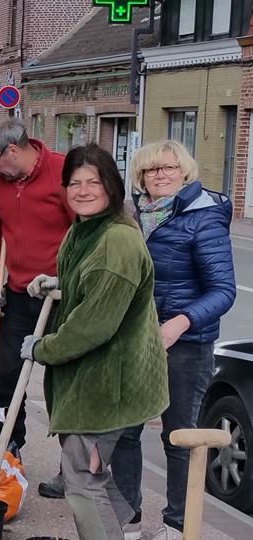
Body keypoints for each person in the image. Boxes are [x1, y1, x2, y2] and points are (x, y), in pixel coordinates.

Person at [21, 144, 169, 540]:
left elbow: (94, 324)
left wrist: (42, 348)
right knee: (92, 475)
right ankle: (120, 526)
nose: (83, 190)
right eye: (74, 183)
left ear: (112, 186)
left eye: (94, 182)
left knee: (83, 481)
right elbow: (91, 285)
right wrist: (58, 283)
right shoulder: (86, 227)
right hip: (98, 378)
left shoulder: (117, 241)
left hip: (110, 384)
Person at [110, 140, 236, 540]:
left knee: (178, 434)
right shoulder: (129, 217)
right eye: (151, 170)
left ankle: (176, 525)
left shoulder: (204, 217)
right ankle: (127, 519)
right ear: (140, 177)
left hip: (186, 342)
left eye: (168, 168)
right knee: (125, 431)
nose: (160, 175)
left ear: (185, 173)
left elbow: (223, 290)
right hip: (134, 339)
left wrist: (180, 322)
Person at [0, 118, 74, 485]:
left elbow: (83, 230)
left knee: (64, 383)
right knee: (5, 377)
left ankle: (74, 467)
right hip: (18, 294)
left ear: (13, 151)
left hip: (60, 297)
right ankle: (5, 450)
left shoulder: (64, 172)